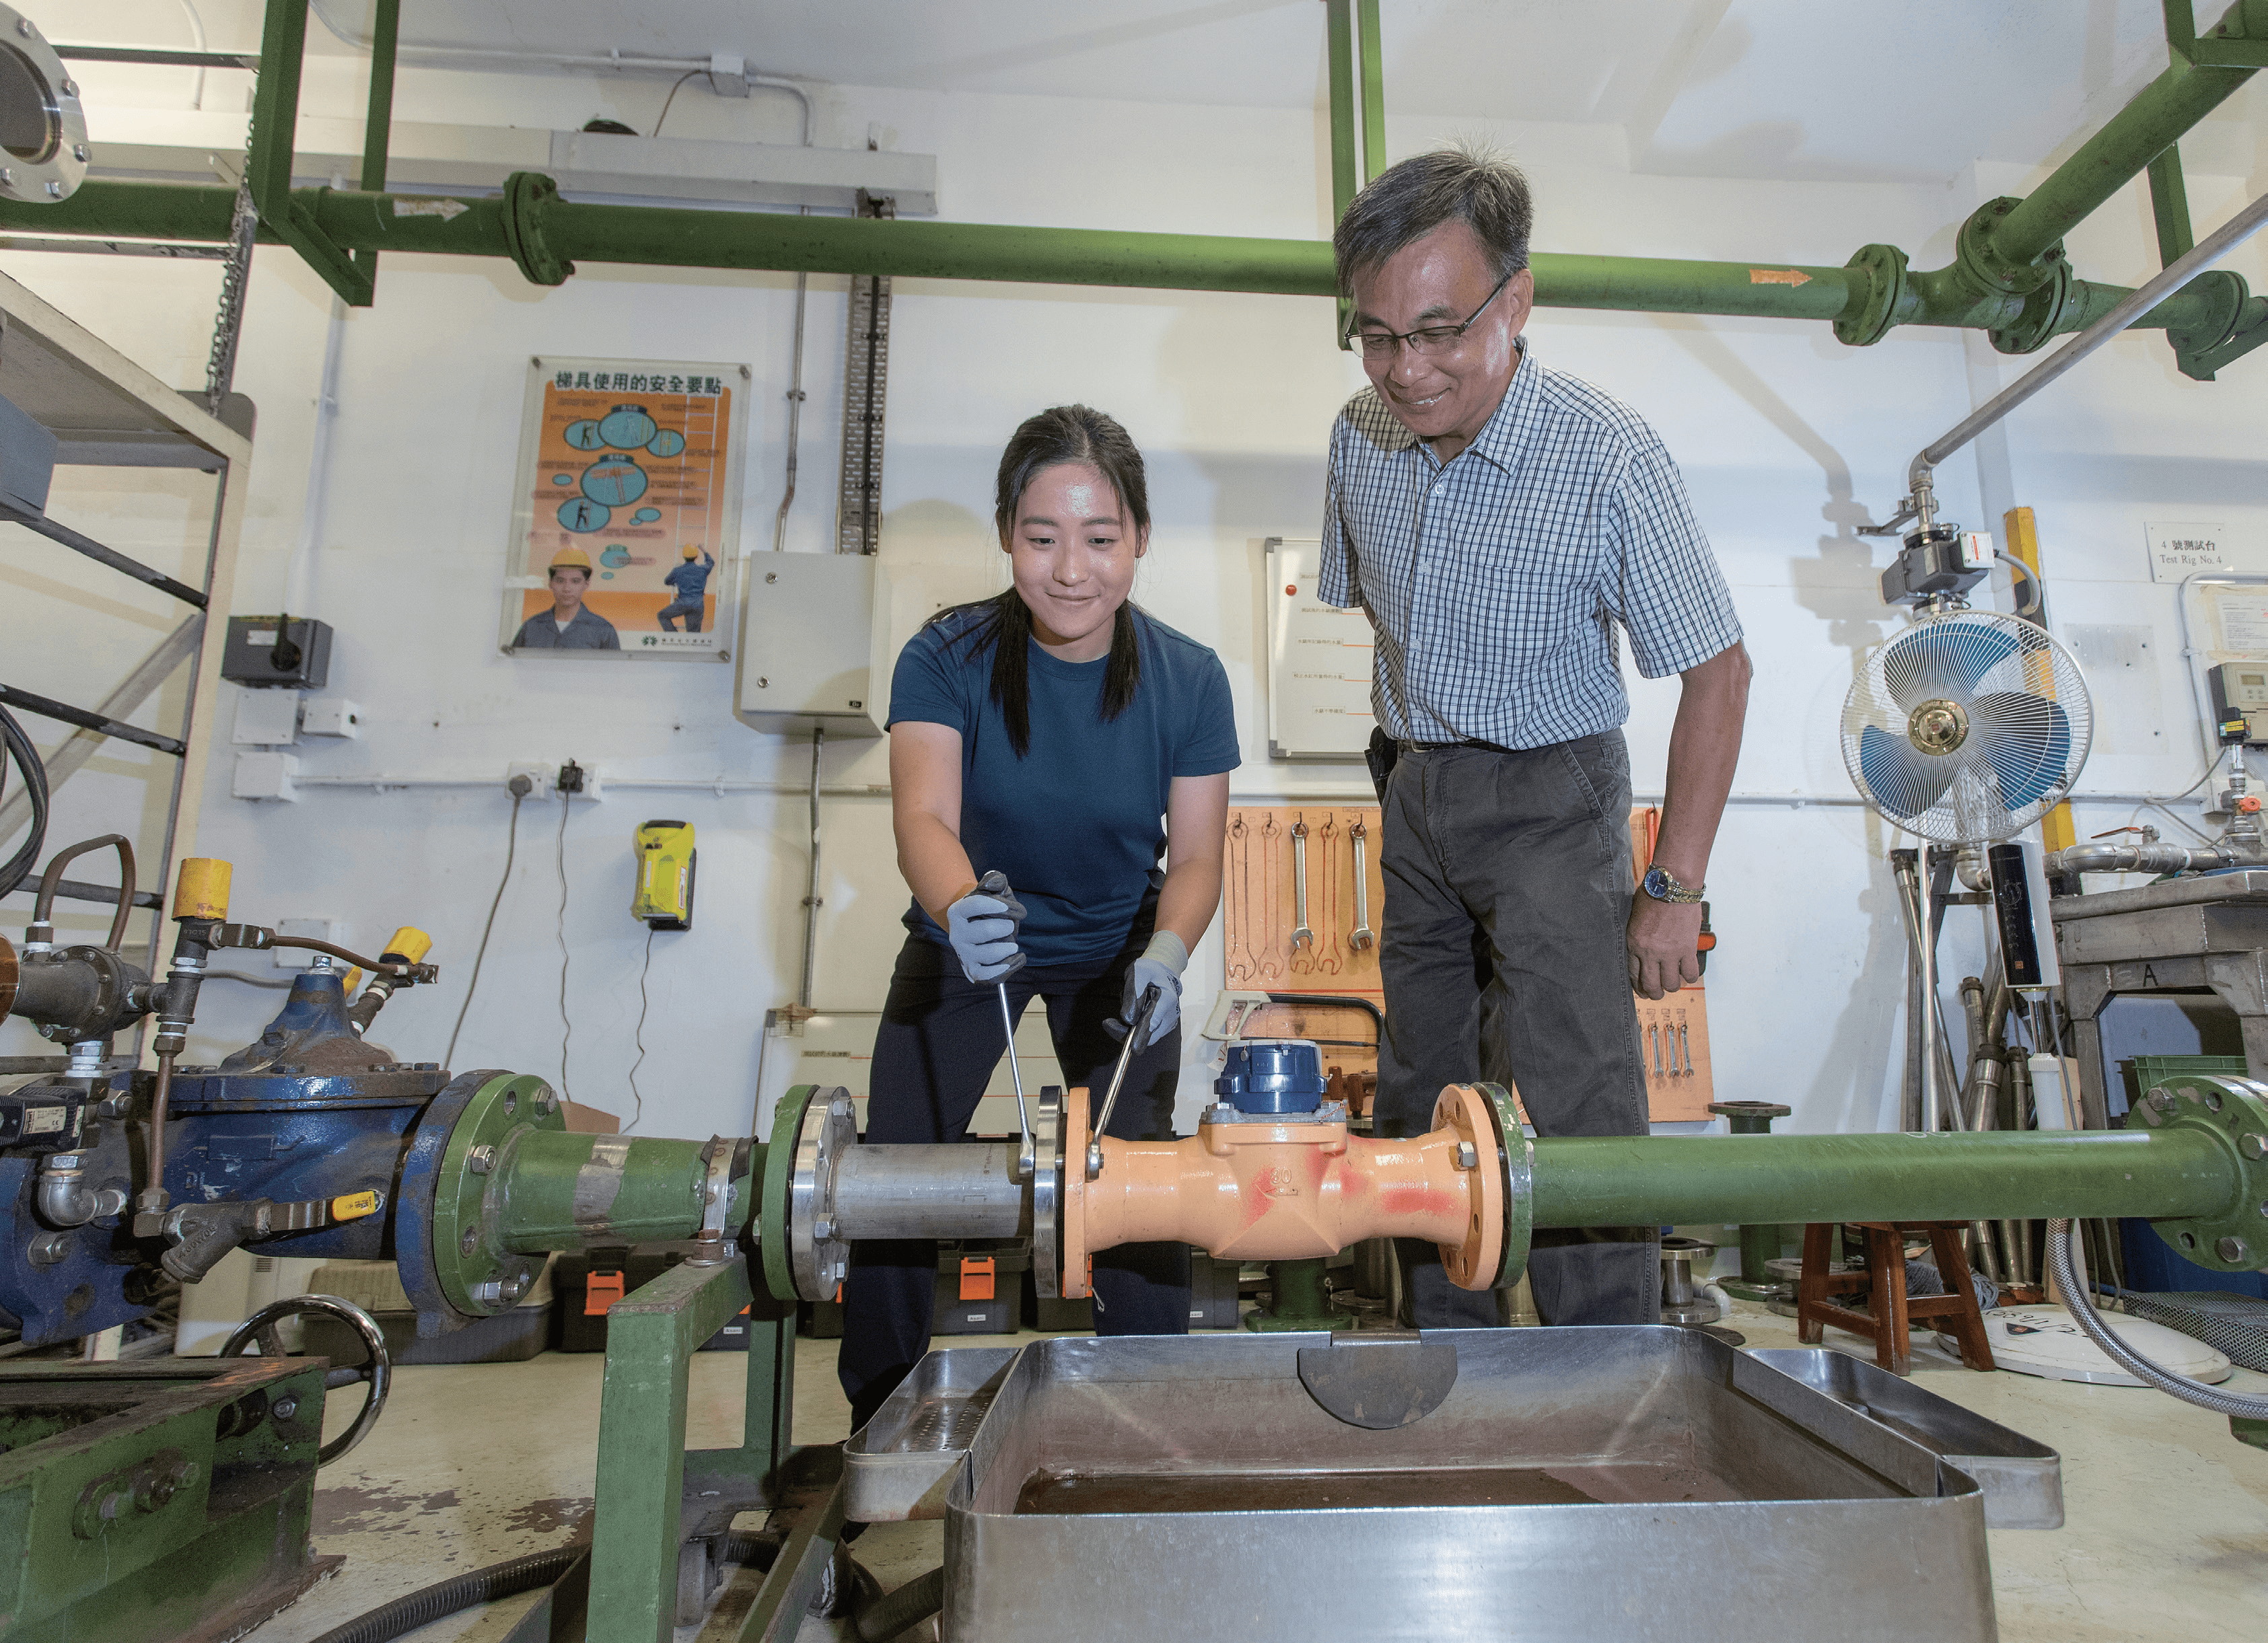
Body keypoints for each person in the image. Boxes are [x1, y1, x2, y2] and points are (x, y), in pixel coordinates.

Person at [1320, 147, 1751, 1331]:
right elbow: (1378, 615)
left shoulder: (1609, 457)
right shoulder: (1358, 440)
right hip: (1413, 793)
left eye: (1439, 330)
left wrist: (1673, 884)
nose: (1406, 370)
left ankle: (1601, 1371)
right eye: (1375, 335)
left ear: (1516, 301)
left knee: (1576, 1096)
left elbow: (1720, 668)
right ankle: (1439, 1355)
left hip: (1556, 797)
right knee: (1419, 1094)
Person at [839, 404, 1238, 1433]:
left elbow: (1195, 856)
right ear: (1007, 534)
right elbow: (923, 815)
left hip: (1119, 953)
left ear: (1139, 539)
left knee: (1137, 1181)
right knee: (895, 1176)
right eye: (1041, 537)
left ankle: (1147, 1419)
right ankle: (878, 1423)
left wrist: (1167, 951)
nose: (1071, 570)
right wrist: (957, 904)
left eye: (1101, 539)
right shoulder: (946, 653)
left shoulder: (1189, 678)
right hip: (970, 942)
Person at [513, 546, 621, 649]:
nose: (567, 588)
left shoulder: (604, 630)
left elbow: (615, 668)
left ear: (587, 583)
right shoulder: (531, 627)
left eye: (575, 581)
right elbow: (512, 667)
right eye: (560, 581)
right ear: (551, 583)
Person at [658, 543, 716, 632]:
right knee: (693, 635)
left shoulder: (677, 571)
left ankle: (674, 637)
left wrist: (675, 581)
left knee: (662, 616)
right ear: (696, 557)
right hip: (698, 605)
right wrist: (703, 550)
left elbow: (667, 582)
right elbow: (711, 562)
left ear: (684, 556)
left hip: (682, 604)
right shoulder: (703, 570)